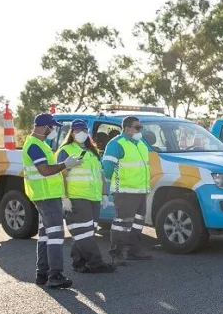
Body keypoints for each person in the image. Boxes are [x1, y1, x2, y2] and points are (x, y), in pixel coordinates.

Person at [22, 113, 82, 289]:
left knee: (45, 235)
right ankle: (55, 275)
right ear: (43, 127)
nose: (53, 130)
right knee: (55, 235)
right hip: (46, 197)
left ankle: (43, 273)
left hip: (45, 196)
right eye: (52, 127)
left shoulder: (39, 144)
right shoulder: (35, 146)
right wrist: (65, 164)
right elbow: (45, 171)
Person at [58, 119, 115, 274]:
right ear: (71, 133)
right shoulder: (66, 150)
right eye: (77, 131)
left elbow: (100, 174)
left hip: (94, 197)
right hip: (77, 197)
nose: (81, 133)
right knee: (83, 232)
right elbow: (59, 175)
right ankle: (96, 263)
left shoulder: (92, 152)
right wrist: (64, 197)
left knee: (86, 232)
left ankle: (79, 263)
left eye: (83, 130)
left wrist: (104, 194)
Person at [101, 116, 153, 264]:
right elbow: (108, 168)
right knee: (122, 223)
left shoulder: (140, 144)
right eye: (138, 127)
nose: (140, 130)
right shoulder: (116, 144)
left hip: (140, 191)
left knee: (137, 222)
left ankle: (133, 251)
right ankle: (116, 253)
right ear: (127, 128)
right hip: (124, 191)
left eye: (140, 127)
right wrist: (110, 188)